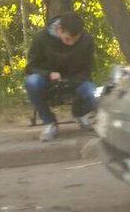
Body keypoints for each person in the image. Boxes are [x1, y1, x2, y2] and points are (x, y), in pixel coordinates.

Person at [25, 11, 97, 141]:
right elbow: (30, 67)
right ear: (59, 29)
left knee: (93, 92)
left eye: (75, 41)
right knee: (32, 82)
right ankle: (49, 122)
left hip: (75, 81)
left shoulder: (86, 40)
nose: (70, 44)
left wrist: (71, 80)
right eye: (67, 39)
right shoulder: (41, 38)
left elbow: (87, 70)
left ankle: (80, 113)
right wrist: (48, 74)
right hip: (48, 81)